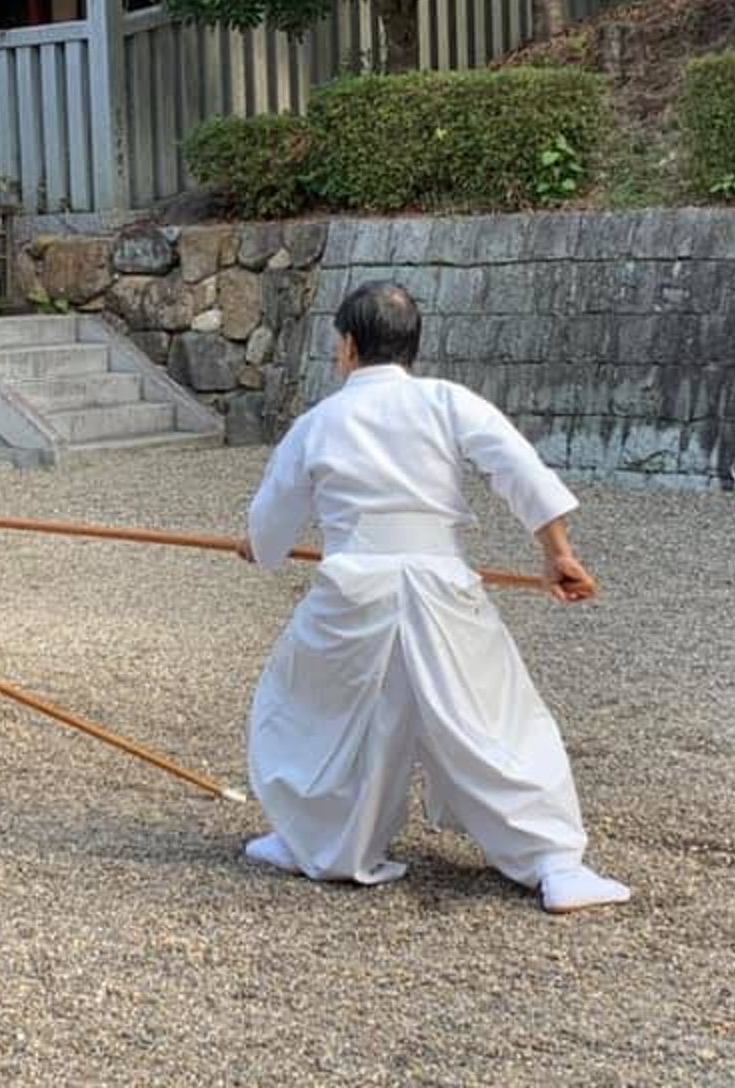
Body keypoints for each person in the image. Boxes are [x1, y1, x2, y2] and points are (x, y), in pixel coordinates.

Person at [239, 280, 630, 914]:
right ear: (411, 348)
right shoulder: (448, 402)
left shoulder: (319, 422)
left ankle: (324, 843)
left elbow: (272, 521)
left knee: (318, 712)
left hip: (353, 593)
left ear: (347, 347)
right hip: (440, 585)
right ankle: (555, 863)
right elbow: (518, 467)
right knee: (491, 717)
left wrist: (257, 545)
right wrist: (557, 550)